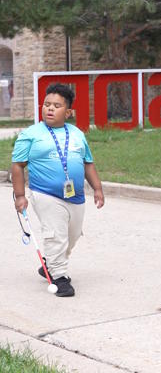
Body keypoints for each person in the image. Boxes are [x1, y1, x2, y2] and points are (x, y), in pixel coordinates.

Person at [11, 83, 105, 297]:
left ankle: (50, 263)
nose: (50, 109)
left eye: (56, 105)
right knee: (56, 235)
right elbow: (17, 165)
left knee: (72, 235)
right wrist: (20, 196)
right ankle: (59, 277)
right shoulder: (31, 134)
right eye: (46, 105)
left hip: (75, 195)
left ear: (68, 112)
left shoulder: (77, 134)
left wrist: (97, 188)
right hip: (45, 193)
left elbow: (88, 162)